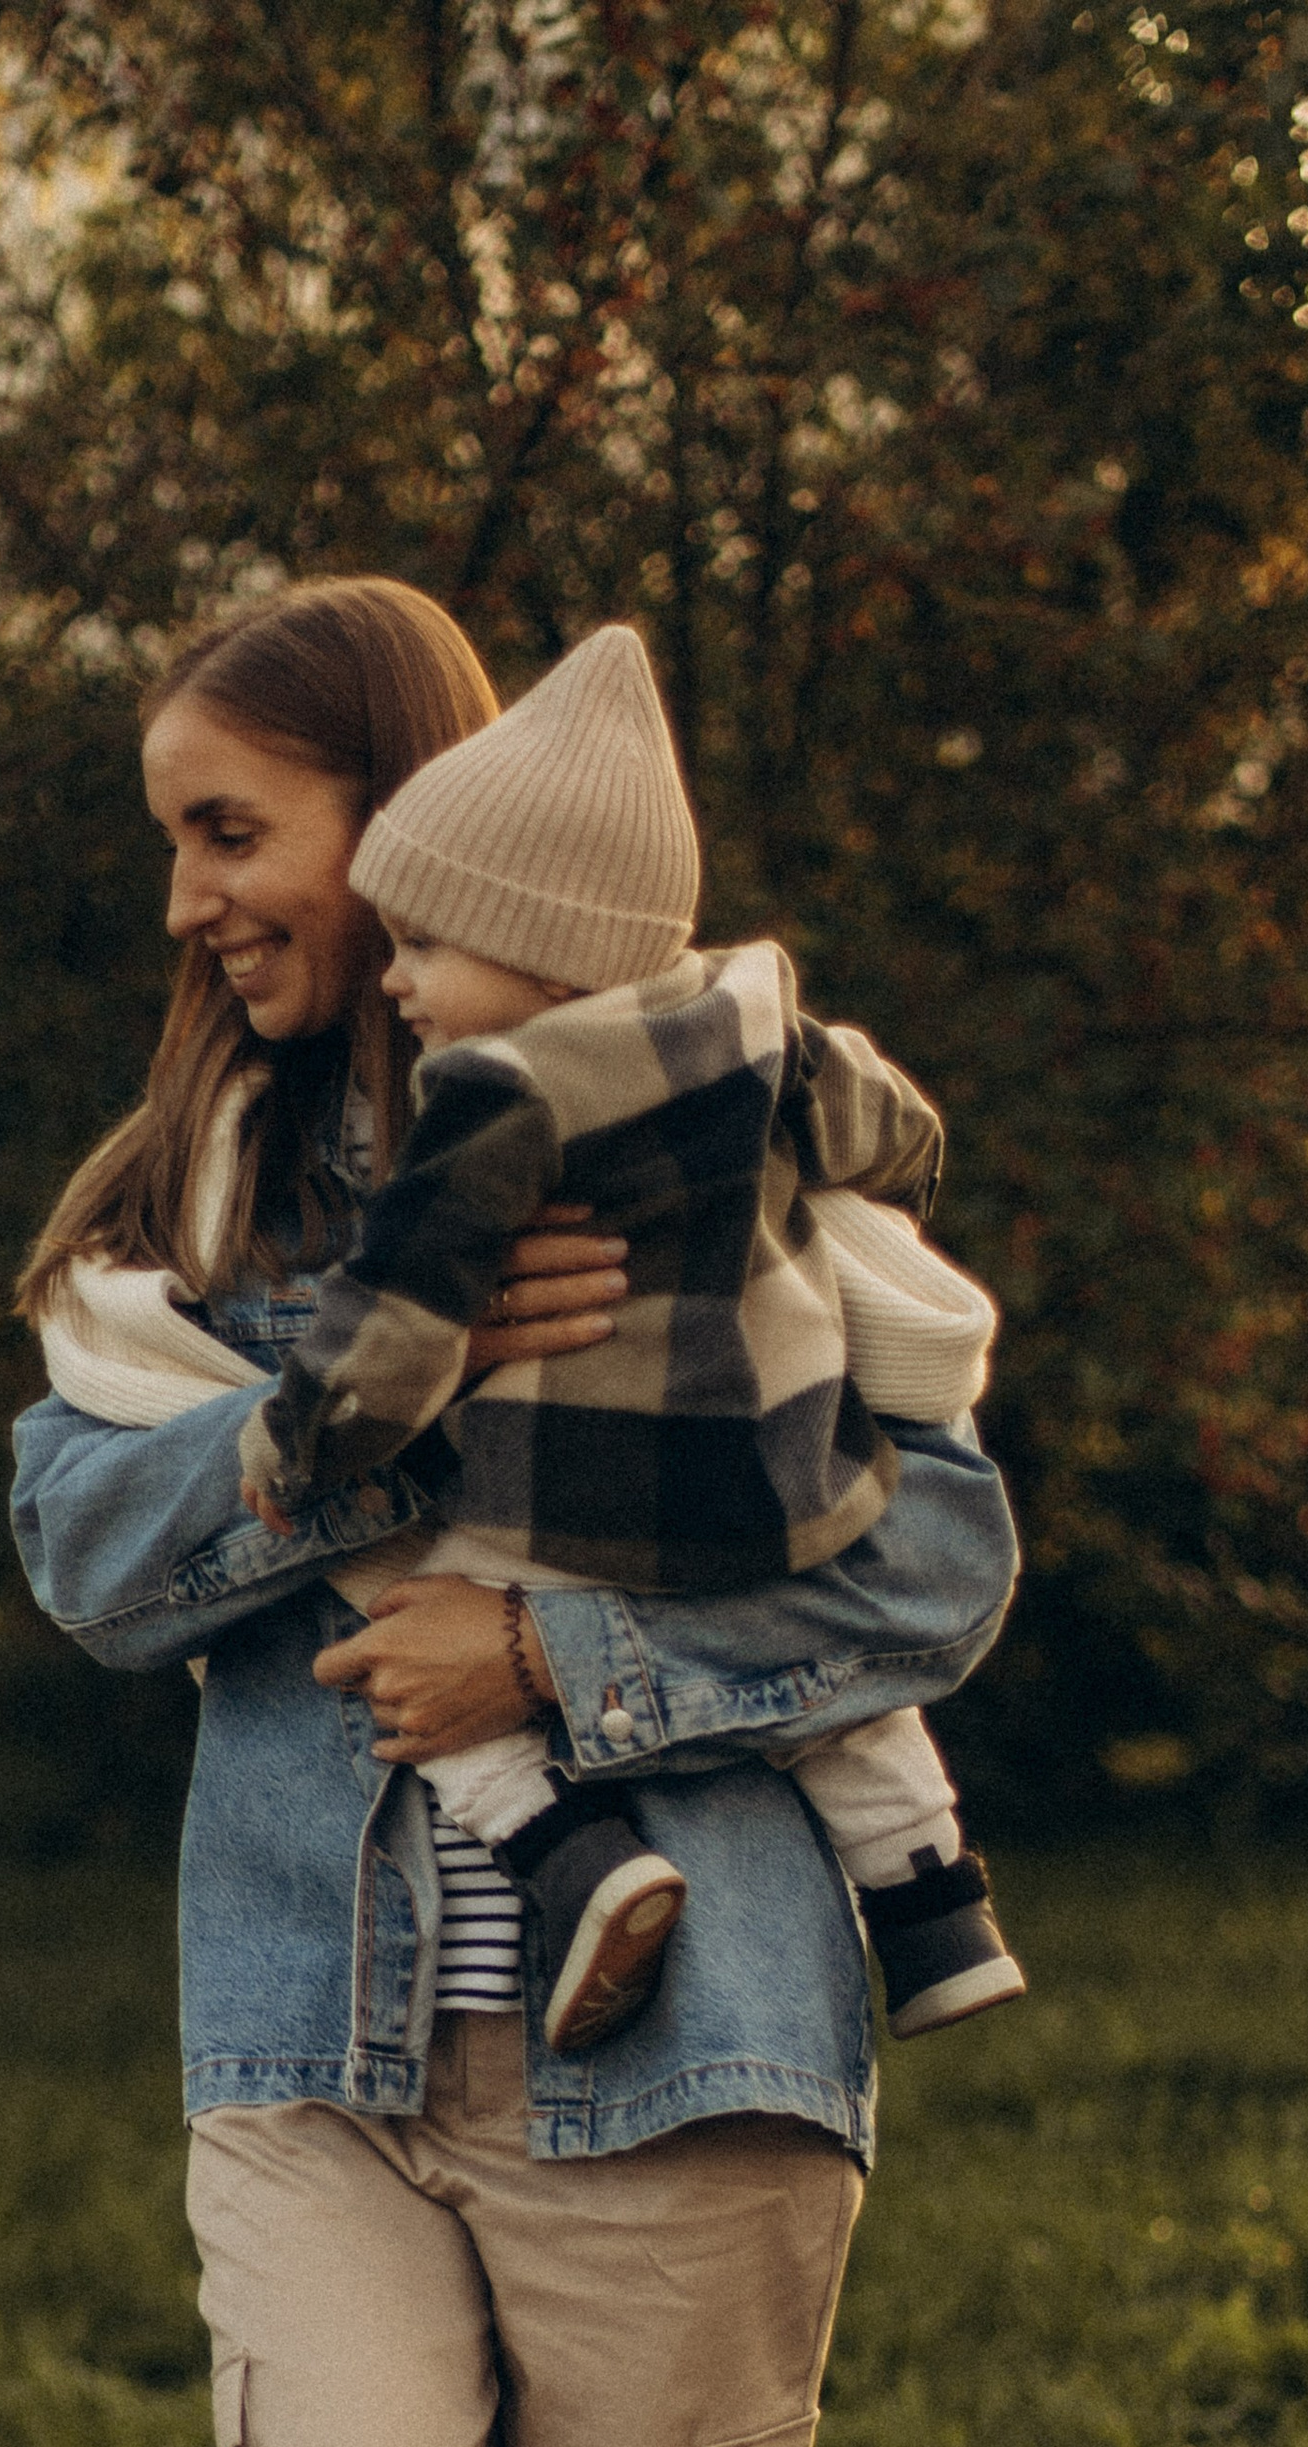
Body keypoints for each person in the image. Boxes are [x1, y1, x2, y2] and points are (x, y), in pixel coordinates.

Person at [7, 574, 1018, 2447]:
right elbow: (89, 1549)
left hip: (680, 2062)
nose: (191, 906)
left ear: (400, 834)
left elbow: (944, 1548)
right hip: (310, 2077)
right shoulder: (190, 1201)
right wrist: (364, 1402)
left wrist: (564, 1652)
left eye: (231, 834)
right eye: (175, 841)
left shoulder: (707, 1141)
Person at [227, 620, 1024, 2052]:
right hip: (790, 1484)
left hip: (587, 1505)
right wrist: (854, 1213)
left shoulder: (499, 1091)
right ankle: (934, 1912)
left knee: (406, 1603)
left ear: (536, 948)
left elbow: (401, 1314)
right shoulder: (770, 1023)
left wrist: (300, 1438)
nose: (399, 983)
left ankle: (575, 1860)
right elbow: (898, 1137)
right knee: (848, 1715)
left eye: (423, 943)